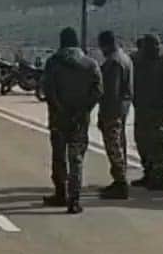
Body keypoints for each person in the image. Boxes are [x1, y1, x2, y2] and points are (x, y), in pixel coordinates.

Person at [42, 27, 103, 214]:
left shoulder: (53, 62)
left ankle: (60, 193)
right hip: (80, 120)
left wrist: (59, 108)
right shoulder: (90, 64)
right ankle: (74, 199)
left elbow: (48, 89)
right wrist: (84, 109)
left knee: (59, 157)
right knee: (76, 159)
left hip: (58, 119)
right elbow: (98, 90)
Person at [132, 34, 163, 190]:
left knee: (156, 143)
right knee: (142, 141)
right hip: (141, 109)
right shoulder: (138, 63)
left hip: (157, 110)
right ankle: (149, 173)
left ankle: (161, 176)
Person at [96, 30, 133, 199]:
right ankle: (120, 179)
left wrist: (103, 114)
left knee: (113, 146)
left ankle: (120, 182)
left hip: (113, 110)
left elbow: (111, 92)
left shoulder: (113, 62)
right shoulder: (125, 58)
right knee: (119, 143)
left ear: (106, 45)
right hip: (123, 108)